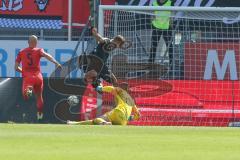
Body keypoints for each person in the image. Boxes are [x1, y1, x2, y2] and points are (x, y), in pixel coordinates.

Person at [15, 35, 62, 122]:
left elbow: (16, 67)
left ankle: (28, 90)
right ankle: (40, 114)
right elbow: (47, 55)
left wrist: (24, 72)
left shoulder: (21, 52)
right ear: (36, 43)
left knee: (25, 96)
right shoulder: (39, 50)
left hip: (28, 77)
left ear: (28, 42)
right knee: (39, 97)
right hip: (38, 77)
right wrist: (55, 62)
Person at [67, 83, 141, 125]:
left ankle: (104, 123)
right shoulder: (132, 101)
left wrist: (100, 88)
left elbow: (111, 88)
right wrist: (129, 118)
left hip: (118, 111)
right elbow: (138, 116)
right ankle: (74, 123)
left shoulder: (120, 91)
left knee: (96, 120)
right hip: (123, 121)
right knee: (100, 122)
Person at [149, 0, 173, 65]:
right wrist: (153, 23)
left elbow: (172, 15)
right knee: (153, 46)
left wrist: (171, 24)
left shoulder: (170, 3)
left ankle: (171, 65)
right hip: (156, 27)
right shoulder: (154, 3)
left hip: (167, 28)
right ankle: (150, 65)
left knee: (170, 47)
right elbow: (152, 15)